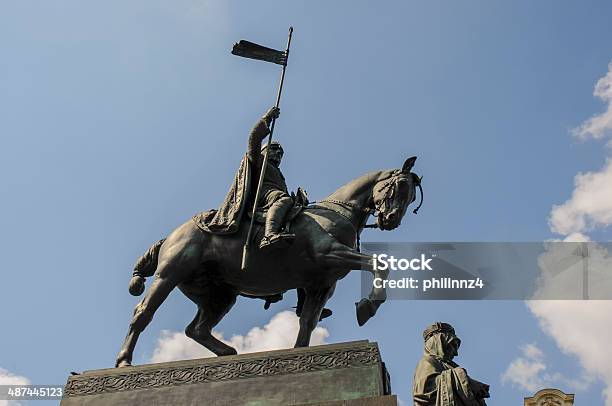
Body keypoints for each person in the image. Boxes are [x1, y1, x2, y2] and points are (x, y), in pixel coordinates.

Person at [246, 107, 296, 251]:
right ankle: (269, 235)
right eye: (274, 149)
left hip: (274, 196)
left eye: (280, 152)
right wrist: (267, 117)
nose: (278, 153)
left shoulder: (279, 174)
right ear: (263, 150)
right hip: (263, 196)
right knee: (284, 199)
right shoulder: (258, 159)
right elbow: (253, 137)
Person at [413, 322, 490, 406]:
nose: (456, 353)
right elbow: (423, 393)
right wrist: (466, 382)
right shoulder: (428, 361)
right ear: (439, 343)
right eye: (453, 345)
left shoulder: (450, 366)